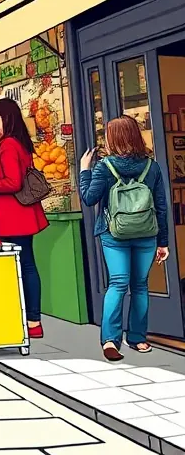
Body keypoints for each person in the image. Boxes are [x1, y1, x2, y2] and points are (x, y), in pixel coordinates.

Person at [79, 116, 169, 362]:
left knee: (118, 283)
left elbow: (88, 198)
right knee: (140, 285)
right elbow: (161, 207)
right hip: (146, 233)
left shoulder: (104, 167)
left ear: (113, 139)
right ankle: (138, 339)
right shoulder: (152, 167)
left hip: (113, 233)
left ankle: (110, 340)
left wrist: (84, 171)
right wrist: (163, 242)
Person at [0, 97, 48, 340]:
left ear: (6, 118)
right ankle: (30, 320)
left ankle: (30, 320)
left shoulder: (8, 145)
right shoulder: (17, 142)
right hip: (20, 215)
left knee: (22, 265)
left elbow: (13, 183)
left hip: (13, 216)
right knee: (26, 264)